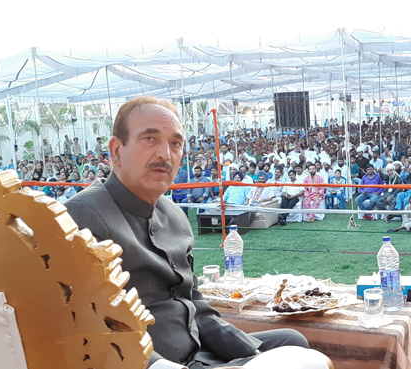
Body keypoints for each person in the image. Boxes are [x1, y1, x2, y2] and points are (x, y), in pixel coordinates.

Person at [65, 96, 310, 369]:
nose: (164, 154)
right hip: (151, 363)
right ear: (116, 150)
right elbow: (93, 324)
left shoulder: (174, 215)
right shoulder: (83, 214)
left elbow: (196, 306)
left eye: (175, 143)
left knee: (292, 343)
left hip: (199, 354)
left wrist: (253, 354)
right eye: (150, 139)